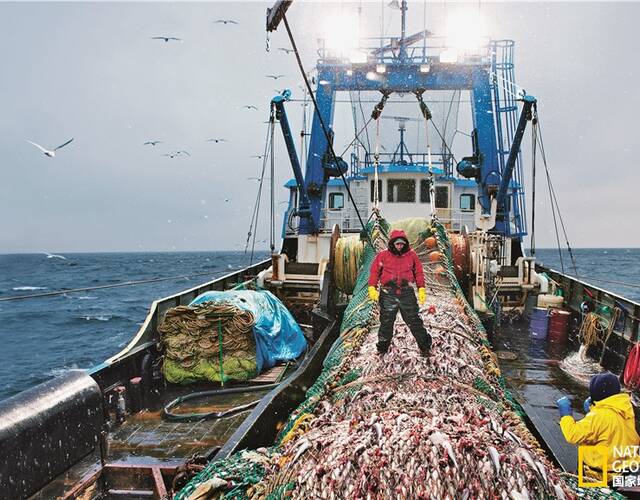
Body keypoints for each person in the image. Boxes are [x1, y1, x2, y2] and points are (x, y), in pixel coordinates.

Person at [556, 371, 640, 481]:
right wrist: (594, 408)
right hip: (627, 468)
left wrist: (566, 415)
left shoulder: (598, 416)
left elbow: (572, 435)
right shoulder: (626, 408)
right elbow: (608, 427)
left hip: (604, 474)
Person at [367, 229, 432, 356]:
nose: (400, 246)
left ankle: (425, 347)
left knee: (414, 320)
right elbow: (375, 272)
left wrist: (421, 289)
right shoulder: (382, 255)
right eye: (397, 244)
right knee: (386, 321)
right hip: (388, 293)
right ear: (392, 243)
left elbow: (418, 272)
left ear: (405, 244)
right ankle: (382, 348)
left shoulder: (412, 255)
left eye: (402, 244)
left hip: (406, 293)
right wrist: (372, 287)